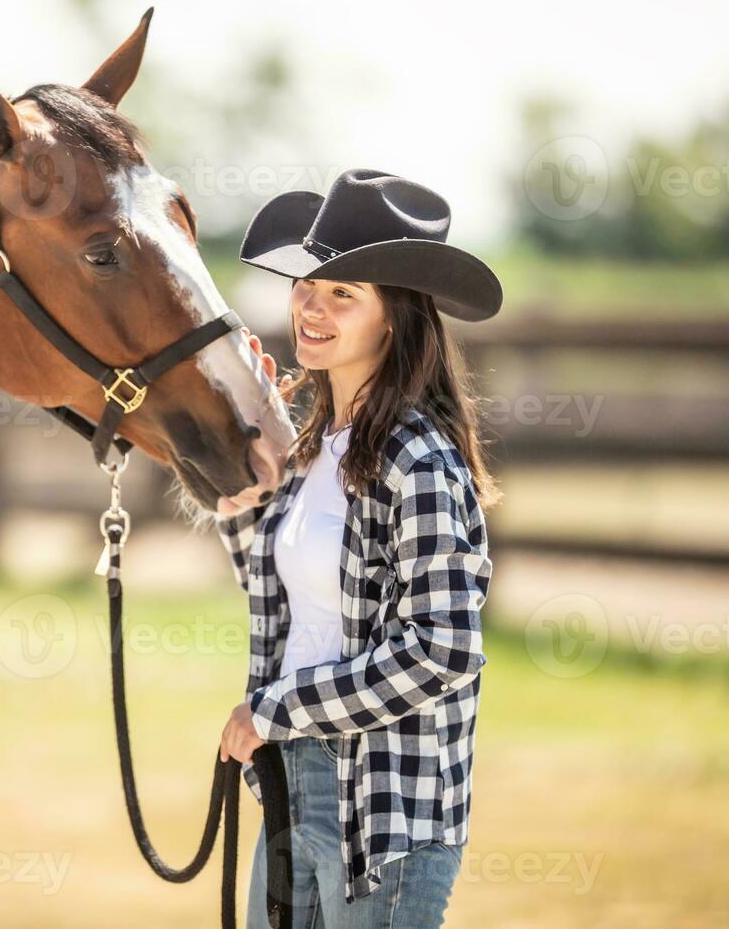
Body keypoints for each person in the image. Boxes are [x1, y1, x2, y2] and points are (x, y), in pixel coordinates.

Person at [215, 169, 503, 928]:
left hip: (384, 806)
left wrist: (277, 710)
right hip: (296, 782)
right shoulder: (316, 453)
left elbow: (442, 649)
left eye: (345, 292)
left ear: (394, 320)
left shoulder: (420, 462)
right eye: (309, 282)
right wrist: (241, 477)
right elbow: (287, 596)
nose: (312, 304)